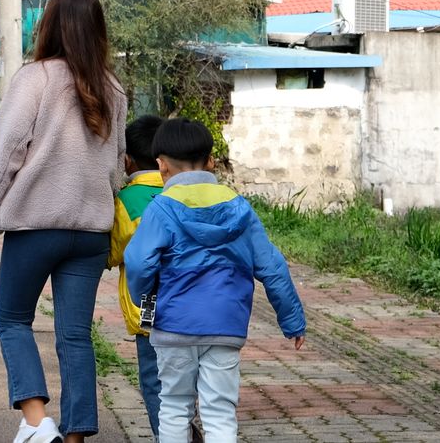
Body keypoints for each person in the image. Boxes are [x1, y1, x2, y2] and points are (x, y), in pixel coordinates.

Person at [0, 0, 126, 443]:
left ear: (49, 25)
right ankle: (75, 437)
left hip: (36, 226)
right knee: (75, 336)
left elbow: (5, 153)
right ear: (97, 31)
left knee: (12, 319)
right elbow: (116, 166)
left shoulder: (36, 79)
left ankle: (35, 421)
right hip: (90, 232)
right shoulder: (114, 90)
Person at [123, 118, 306, 443]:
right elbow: (272, 266)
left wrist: (143, 297)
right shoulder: (240, 208)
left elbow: (138, 262)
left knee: (175, 406)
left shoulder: (161, 209)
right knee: (219, 409)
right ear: (210, 161)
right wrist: (292, 320)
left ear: (161, 165)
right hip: (225, 327)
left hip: (174, 325)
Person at [108, 114, 167, 439]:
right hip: (191, 307)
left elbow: (114, 253)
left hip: (149, 308)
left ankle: (166, 436)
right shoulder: (181, 193)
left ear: (127, 161)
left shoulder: (125, 200)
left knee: (153, 380)